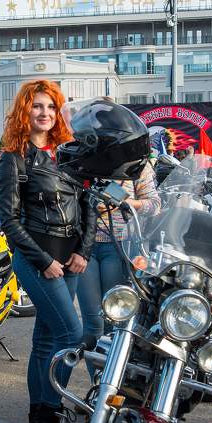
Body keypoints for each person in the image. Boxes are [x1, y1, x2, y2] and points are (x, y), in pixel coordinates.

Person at [0, 80, 97, 423]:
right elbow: (9, 220)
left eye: (51, 107)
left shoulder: (70, 153)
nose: (45, 113)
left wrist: (84, 251)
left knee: (45, 341)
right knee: (71, 334)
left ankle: (39, 415)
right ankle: (52, 411)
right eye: (37, 106)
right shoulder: (14, 158)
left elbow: (88, 205)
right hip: (38, 261)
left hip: (71, 261)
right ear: (25, 111)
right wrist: (43, 261)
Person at [77, 162, 160, 378]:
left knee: (114, 321)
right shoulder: (85, 157)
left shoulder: (138, 165)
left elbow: (154, 204)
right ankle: (97, 384)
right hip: (82, 247)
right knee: (92, 322)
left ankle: (111, 381)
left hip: (119, 246)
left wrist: (124, 203)